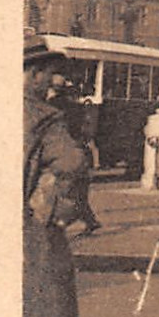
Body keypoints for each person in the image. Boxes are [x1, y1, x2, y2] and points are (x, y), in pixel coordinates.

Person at [24, 46, 88, 317]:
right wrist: (52, 203)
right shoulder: (43, 117)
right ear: (33, 74)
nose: (51, 79)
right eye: (47, 72)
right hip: (31, 240)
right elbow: (72, 162)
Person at [47, 77, 102, 234]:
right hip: (79, 150)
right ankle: (90, 221)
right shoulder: (77, 107)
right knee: (79, 189)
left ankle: (58, 225)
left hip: (62, 150)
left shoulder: (50, 105)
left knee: (64, 190)